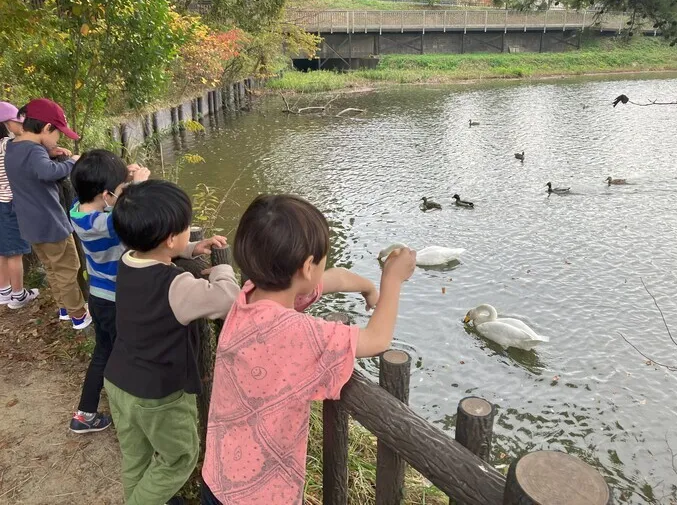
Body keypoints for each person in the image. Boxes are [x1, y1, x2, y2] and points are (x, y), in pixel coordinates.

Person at [201, 194, 417, 505]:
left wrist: (369, 288)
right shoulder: (298, 333)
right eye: (323, 257)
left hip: (218, 477)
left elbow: (334, 279)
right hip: (262, 495)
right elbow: (377, 339)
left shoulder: (248, 298)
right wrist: (392, 280)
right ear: (306, 268)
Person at [104, 180, 240, 505]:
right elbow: (227, 300)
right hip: (158, 395)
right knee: (179, 457)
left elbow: (160, 254)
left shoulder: (128, 259)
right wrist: (222, 267)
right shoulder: (176, 285)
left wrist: (192, 248)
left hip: (119, 381)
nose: (188, 234)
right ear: (169, 238)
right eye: (185, 230)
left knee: (136, 457)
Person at [67, 149, 150, 434]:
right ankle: (133, 420)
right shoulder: (109, 224)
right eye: (117, 191)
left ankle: (85, 414)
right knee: (126, 357)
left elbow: (109, 203)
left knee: (103, 352)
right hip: (117, 301)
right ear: (106, 195)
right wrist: (137, 186)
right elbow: (132, 214)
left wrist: (118, 180)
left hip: (98, 298)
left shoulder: (77, 211)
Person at [3, 98, 91, 329]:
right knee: (68, 268)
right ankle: (79, 315)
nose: (58, 139)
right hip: (51, 223)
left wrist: (50, 153)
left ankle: (63, 308)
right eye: (57, 133)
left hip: (29, 225)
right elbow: (47, 172)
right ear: (46, 128)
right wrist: (71, 162)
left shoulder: (13, 146)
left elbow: (32, 167)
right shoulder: (33, 150)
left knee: (52, 268)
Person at [0, 102, 37, 309]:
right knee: (16, 251)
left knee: (3, 250)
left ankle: (4, 290)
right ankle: (18, 295)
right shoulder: (7, 144)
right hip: (10, 202)